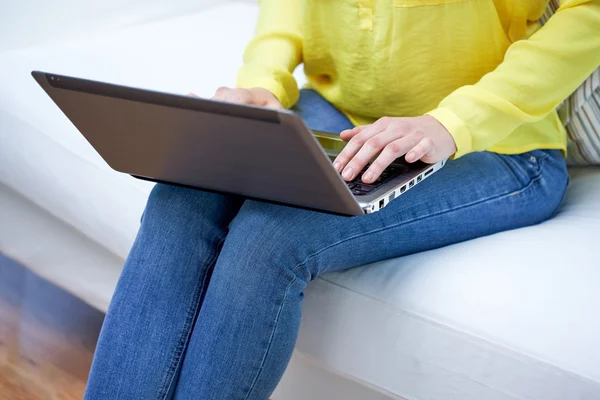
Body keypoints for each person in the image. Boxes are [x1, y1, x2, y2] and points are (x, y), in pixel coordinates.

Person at [84, 1, 600, 399]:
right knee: (182, 194)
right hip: (338, 113)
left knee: (272, 237)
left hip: (498, 144)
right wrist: (264, 82)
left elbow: (588, 13)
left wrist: (454, 122)